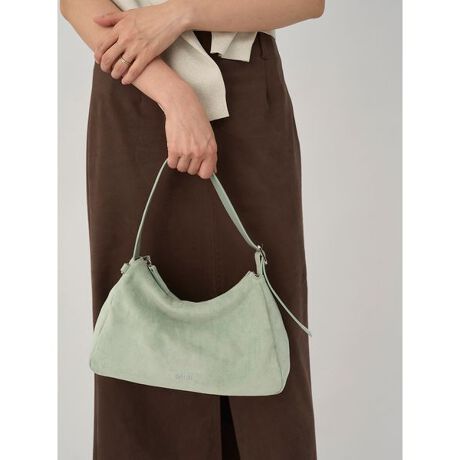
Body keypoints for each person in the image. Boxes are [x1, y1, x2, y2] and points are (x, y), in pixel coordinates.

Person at [60, 0, 325, 458]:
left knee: (264, 334)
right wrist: (175, 96)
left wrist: (178, 14)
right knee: (138, 330)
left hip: (244, 88)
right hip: (132, 79)